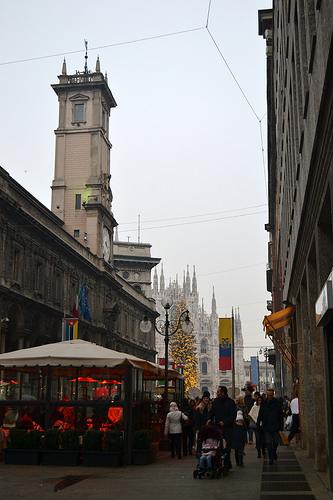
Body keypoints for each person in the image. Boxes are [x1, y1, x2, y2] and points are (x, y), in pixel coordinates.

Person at [208, 386, 236, 469]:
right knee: (218, 445)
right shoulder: (215, 401)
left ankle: (227, 463)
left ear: (223, 392)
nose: (217, 393)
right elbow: (211, 412)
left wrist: (225, 422)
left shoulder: (230, 402)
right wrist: (209, 419)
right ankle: (219, 462)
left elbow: (233, 415)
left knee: (227, 446)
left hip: (228, 428)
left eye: (218, 392)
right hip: (217, 428)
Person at [257, 388, 284, 465]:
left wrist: (281, 426)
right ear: (266, 395)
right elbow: (260, 414)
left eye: (271, 395)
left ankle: (274, 452)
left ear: (273, 394)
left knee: (275, 442)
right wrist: (258, 423)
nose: (270, 396)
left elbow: (280, 415)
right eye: (268, 395)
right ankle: (270, 458)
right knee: (268, 442)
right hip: (266, 426)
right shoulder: (264, 403)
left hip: (275, 425)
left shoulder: (277, 402)